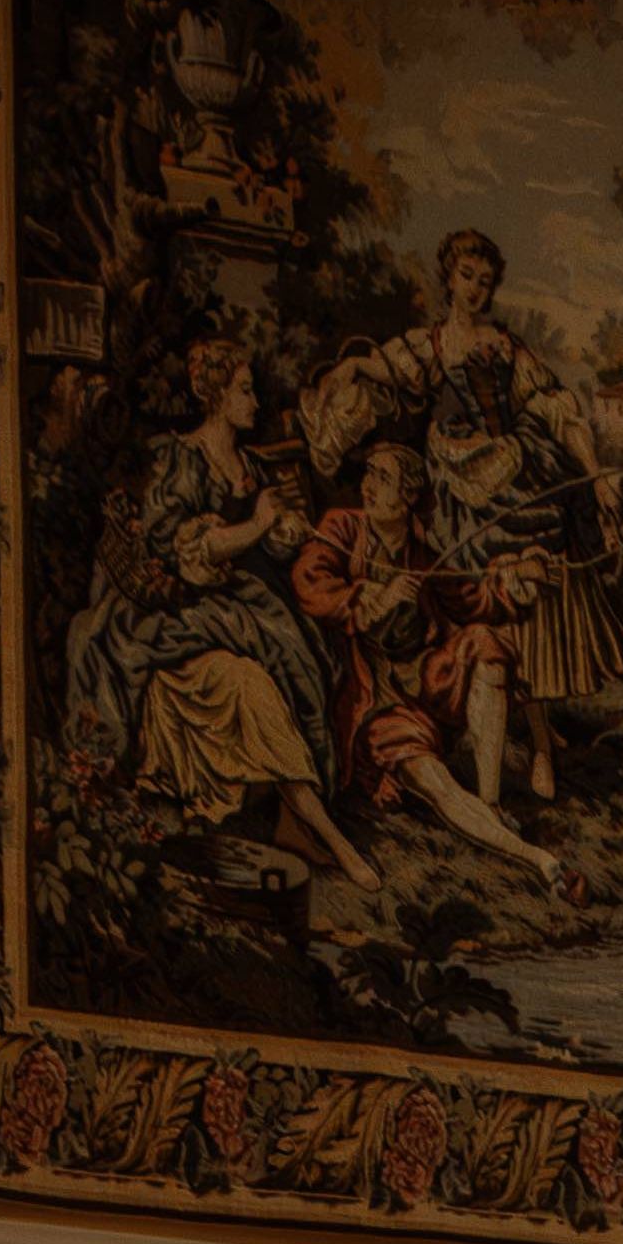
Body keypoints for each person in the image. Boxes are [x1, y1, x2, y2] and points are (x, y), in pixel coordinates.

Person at [310, 235, 619, 799]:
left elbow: (556, 406)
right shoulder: (429, 345)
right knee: (472, 609)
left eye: (485, 280)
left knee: (529, 607)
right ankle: (477, 733)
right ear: (448, 278)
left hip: (513, 484)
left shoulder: (504, 346)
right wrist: (348, 368)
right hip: (454, 494)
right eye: (467, 276)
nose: (475, 288)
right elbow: (382, 368)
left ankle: (543, 745)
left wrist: (595, 476)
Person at [59, 334, 375, 886]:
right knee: (256, 674)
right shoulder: (177, 456)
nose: (255, 403)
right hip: (181, 604)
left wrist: (284, 532)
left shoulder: (251, 463)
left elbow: (268, 549)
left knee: (306, 653)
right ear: (217, 397)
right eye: (245, 392)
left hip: (235, 599)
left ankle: (295, 819)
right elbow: (178, 550)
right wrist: (255, 524)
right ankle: (325, 833)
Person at [290, 441, 568, 880]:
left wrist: (518, 578)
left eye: (383, 478)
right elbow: (309, 583)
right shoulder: (341, 528)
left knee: (486, 646)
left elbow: (473, 601)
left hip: (430, 681)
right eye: (369, 474)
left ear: (408, 497)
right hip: (378, 700)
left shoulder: (423, 548)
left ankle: (490, 801)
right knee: (436, 784)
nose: (368, 486)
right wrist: (372, 599)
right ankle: (534, 858)